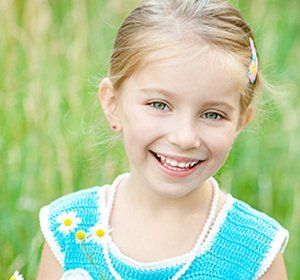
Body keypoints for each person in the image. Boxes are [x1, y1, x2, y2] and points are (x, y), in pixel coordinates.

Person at [37, 0, 289, 279]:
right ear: (113, 103)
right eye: (159, 105)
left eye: (213, 114)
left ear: (241, 121)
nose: (184, 138)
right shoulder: (69, 229)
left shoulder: (256, 251)